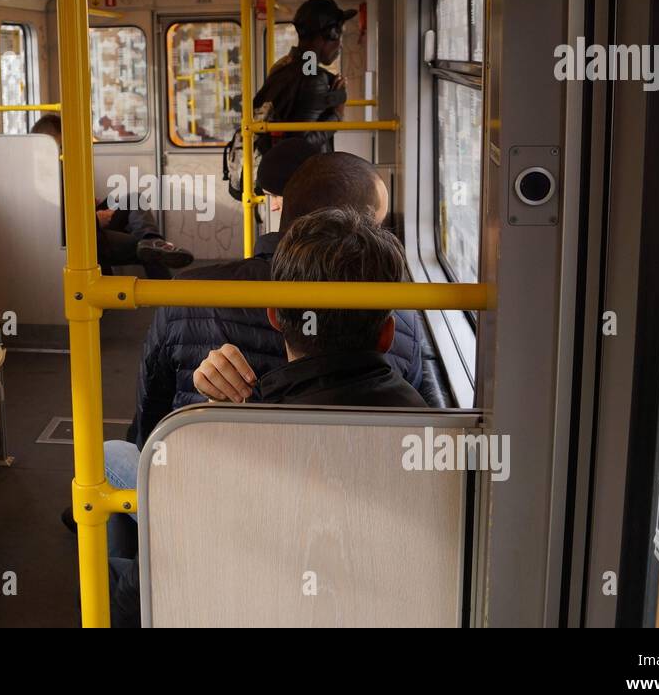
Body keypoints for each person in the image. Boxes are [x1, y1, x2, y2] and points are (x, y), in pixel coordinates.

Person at [84, 150, 426, 553]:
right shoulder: (403, 319)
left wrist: (212, 413)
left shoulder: (186, 297)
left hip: (222, 527)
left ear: (277, 318)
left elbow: (153, 422)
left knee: (111, 457)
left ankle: (129, 581)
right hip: (346, 537)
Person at [107, 208, 425, 626]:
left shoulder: (244, 441)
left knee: (113, 457)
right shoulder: (426, 429)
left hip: (238, 592)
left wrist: (206, 422)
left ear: (274, 317)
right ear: (387, 333)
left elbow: (161, 578)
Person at [193, 208, 428, 408]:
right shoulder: (425, 424)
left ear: (274, 316)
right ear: (387, 335)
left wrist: (219, 411)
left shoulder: (260, 424)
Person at [31, 113, 193, 278]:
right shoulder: (41, 174)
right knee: (149, 252)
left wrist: (89, 206)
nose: (67, 150)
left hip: (88, 221)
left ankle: (151, 238)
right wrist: (95, 220)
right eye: (62, 146)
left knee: (134, 198)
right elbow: (57, 226)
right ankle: (164, 293)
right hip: (87, 236)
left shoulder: (58, 165)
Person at [252, 0, 356, 156]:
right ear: (331, 34)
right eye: (339, 35)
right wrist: (337, 115)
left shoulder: (282, 68)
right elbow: (301, 145)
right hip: (300, 176)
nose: (340, 44)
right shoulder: (313, 79)